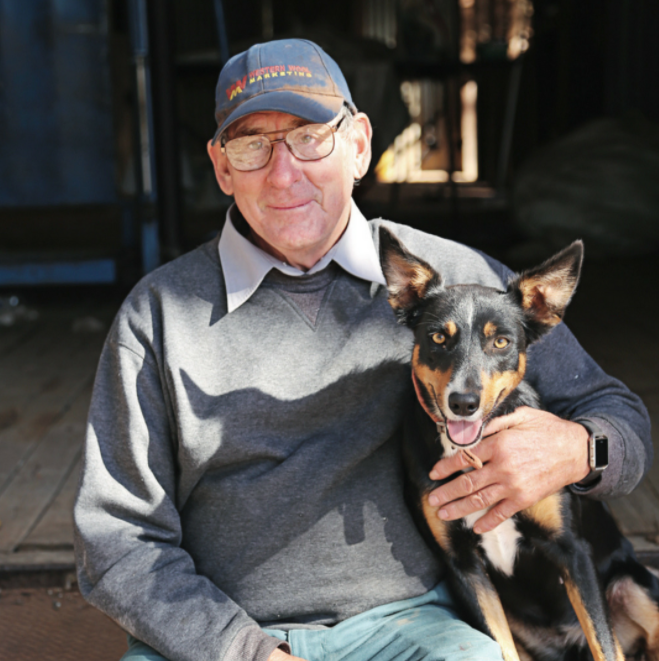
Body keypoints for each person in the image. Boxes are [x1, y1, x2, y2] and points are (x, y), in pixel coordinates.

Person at [74, 39, 651, 661]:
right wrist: (244, 650)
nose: (283, 171)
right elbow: (116, 538)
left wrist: (577, 449)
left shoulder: (460, 282)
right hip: (220, 641)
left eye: (309, 137)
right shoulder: (159, 315)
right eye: (252, 145)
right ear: (221, 167)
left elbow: (618, 416)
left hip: (409, 630)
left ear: (358, 144)